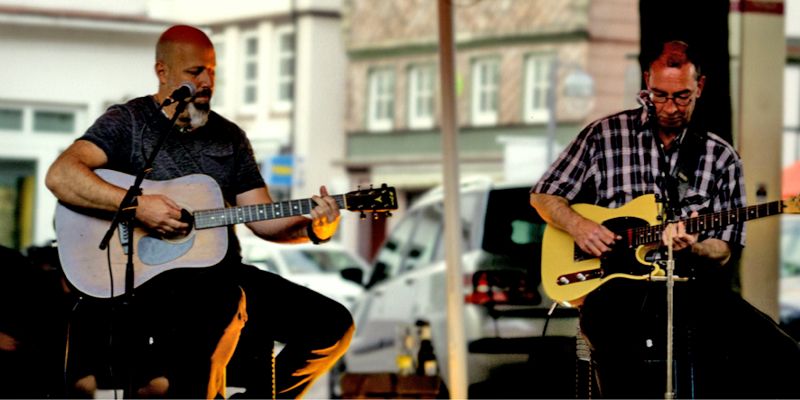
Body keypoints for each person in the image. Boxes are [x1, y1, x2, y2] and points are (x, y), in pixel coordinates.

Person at [45, 24, 354, 398]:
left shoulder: (230, 138)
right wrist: (139, 206)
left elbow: (264, 219)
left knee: (331, 324)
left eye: (212, 71)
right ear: (163, 73)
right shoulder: (128, 121)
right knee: (222, 301)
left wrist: (315, 227)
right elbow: (62, 175)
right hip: (148, 282)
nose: (208, 80)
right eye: (196, 72)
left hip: (220, 273)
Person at [530, 40, 800, 398]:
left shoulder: (720, 157)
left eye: (682, 96)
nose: (670, 107)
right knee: (622, 368)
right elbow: (544, 194)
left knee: (782, 352)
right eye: (659, 95)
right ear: (646, 83)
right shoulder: (604, 135)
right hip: (613, 288)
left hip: (687, 286)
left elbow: (723, 251)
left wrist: (697, 246)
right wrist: (580, 226)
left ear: (700, 87)